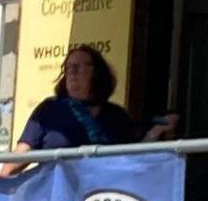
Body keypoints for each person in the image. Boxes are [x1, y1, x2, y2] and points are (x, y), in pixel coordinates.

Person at [20, 45, 165, 151]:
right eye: (68, 68)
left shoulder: (117, 116)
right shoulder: (49, 110)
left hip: (101, 191)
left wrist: (155, 133)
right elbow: (24, 150)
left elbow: (134, 158)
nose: (72, 73)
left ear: (96, 72)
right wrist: (2, 177)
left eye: (78, 67)